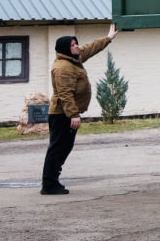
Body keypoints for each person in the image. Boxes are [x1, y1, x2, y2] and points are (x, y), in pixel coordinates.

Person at [41, 24, 118, 195]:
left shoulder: (72, 59)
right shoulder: (63, 68)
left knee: (62, 148)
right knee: (58, 148)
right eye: (73, 45)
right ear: (65, 49)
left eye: (76, 44)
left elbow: (89, 48)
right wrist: (73, 115)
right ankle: (49, 184)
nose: (77, 46)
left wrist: (108, 38)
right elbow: (65, 94)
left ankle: (52, 181)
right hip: (62, 115)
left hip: (65, 114)